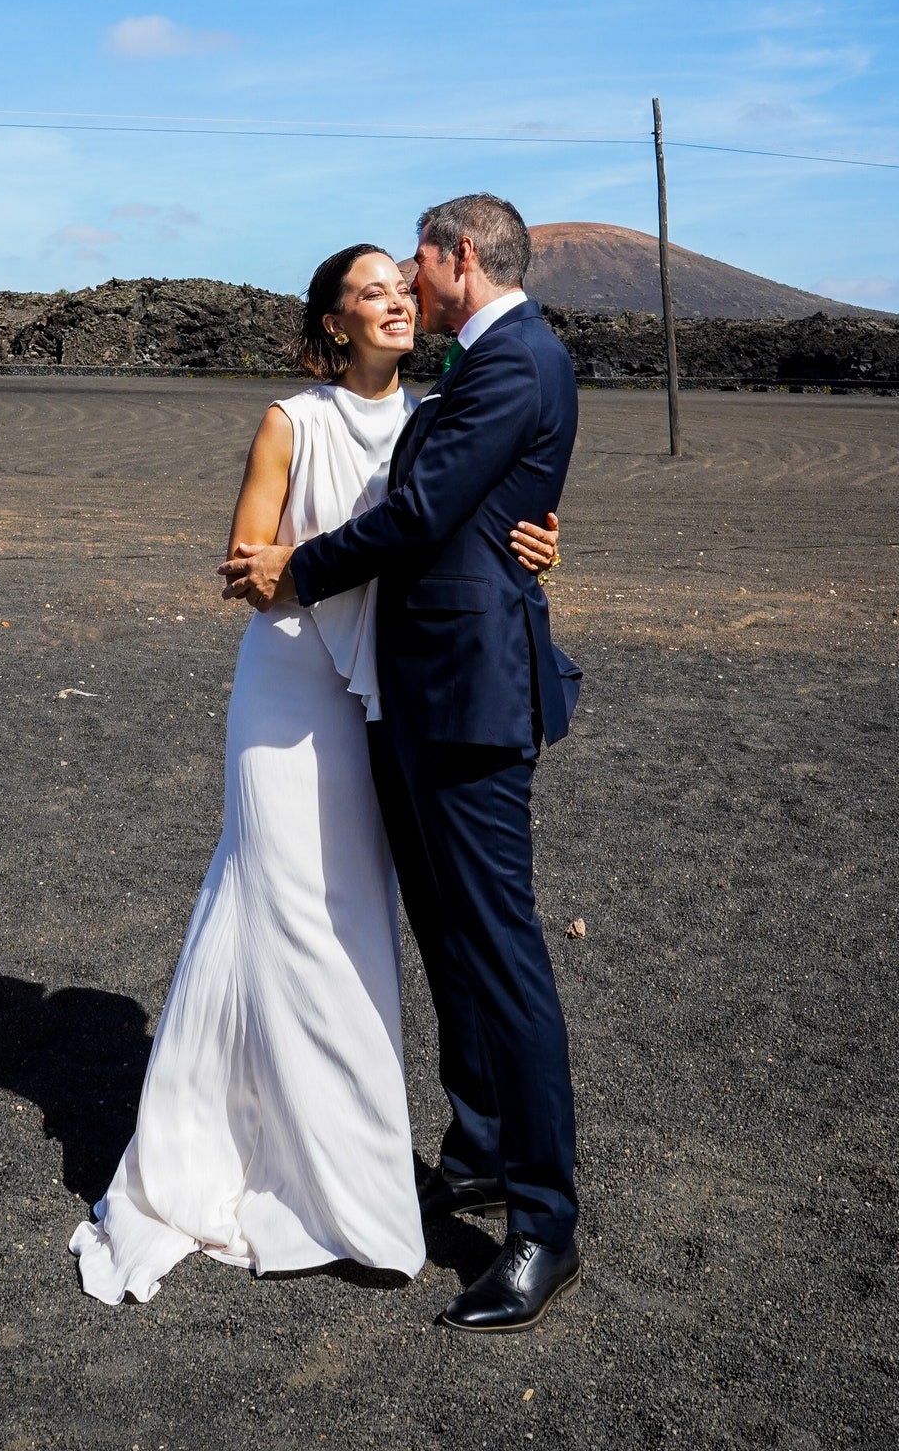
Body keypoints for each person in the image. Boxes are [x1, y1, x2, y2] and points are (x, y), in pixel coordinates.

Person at [69, 242, 560, 1304]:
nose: (395, 300)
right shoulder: (290, 419)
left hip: (386, 699)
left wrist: (527, 542)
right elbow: (252, 567)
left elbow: (453, 516)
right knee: (284, 910)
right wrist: (304, 561)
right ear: (334, 322)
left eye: (402, 286)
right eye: (371, 292)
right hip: (293, 693)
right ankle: (283, 1173)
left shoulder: (436, 410)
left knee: (357, 929)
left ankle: (350, 1168)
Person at [219, 194, 583, 1333]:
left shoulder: (512, 360)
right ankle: (476, 1145)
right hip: (412, 695)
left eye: (412, 267)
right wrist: (529, 527)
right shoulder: (478, 368)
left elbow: (421, 507)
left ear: (453, 258)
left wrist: (299, 571)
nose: (406, 289)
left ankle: (542, 1226)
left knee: (500, 948)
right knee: (443, 932)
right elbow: (467, 503)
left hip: (466, 697)